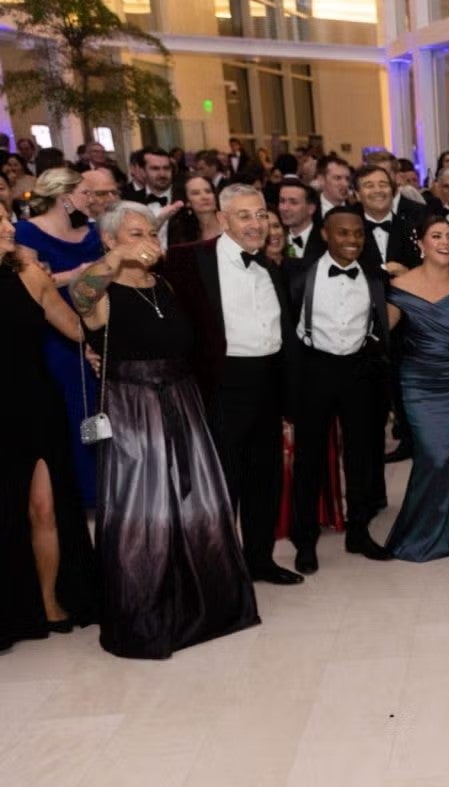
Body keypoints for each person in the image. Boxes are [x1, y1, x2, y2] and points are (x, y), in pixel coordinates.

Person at [69, 202, 258, 658]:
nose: (148, 242)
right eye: (135, 234)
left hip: (182, 400)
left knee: (197, 503)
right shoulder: (102, 292)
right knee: (145, 511)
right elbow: (78, 297)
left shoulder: (165, 286)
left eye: (151, 233)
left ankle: (209, 606)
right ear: (110, 241)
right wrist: (114, 260)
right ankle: (148, 614)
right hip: (133, 408)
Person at [161, 184, 303, 586]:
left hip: (268, 383)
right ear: (222, 220)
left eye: (260, 214)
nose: (256, 223)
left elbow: (284, 335)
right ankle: (219, 569)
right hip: (222, 386)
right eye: (244, 215)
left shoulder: (270, 267)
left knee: (266, 477)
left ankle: (260, 559)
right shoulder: (189, 261)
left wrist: (289, 401)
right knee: (223, 481)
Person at [0, 215, 98, 649]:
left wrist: (106, 270)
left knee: (44, 507)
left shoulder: (30, 276)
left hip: (36, 405)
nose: (8, 227)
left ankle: (50, 600)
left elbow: (77, 326)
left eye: (6, 219)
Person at [284, 208, 394, 574]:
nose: (352, 240)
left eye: (359, 234)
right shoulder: (299, 274)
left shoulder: (375, 277)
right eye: (343, 233)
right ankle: (305, 540)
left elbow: (386, 319)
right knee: (309, 459)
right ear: (325, 235)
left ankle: (358, 531)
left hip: (358, 370)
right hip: (315, 369)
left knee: (362, 456)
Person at [384, 216, 449, 562]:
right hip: (418, 383)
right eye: (436, 236)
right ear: (422, 244)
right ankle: (418, 534)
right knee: (433, 456)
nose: (445, 242)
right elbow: (382, 328)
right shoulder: (401, 286)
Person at [16, 167, 104, 509]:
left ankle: (104, 488)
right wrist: (75, 275)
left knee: (98, 406)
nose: (91, 200)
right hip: (54, 336)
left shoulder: (93, 234)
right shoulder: (25, 233)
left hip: (96, 328)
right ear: (65, 198)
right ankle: (75, 493)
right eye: (85, 193)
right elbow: (24, 287)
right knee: (68, 409)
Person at [167, 174, 222, 247]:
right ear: (187, 202)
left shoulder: (231, 226)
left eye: (208, 191)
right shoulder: (183, 234)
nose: (204, 197)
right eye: (196, 193)